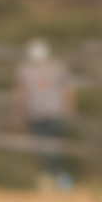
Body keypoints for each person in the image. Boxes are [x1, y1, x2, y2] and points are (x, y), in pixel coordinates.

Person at [15, 37, 76, 191]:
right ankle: (47, 182)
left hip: (53, 113)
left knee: (53, 148)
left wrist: (69, 108)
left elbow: (67, 89)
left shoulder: (57, 67)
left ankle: (62, 180)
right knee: (41, 149)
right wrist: (20, 112)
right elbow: (21, 93)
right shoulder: (24, 70)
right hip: (35, 114)